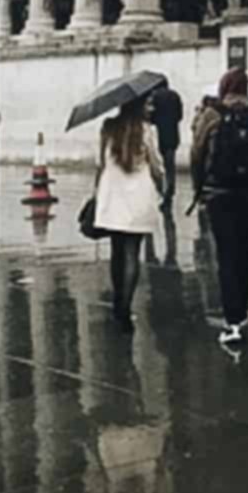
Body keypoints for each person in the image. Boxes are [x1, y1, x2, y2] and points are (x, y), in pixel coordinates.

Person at [190, 67, 248, 347]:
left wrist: (199, 188)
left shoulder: (211, 115)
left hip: (220, 194)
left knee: (226, 256)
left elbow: (196, 153)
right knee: (244, 252)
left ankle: (233, 320)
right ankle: (243, 312)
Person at [95, 98, 165, 330]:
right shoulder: (146, 130)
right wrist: (162, 182)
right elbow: (155, 164)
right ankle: (125, 308)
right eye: (148, 104)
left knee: (117, 251)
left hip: (113, 193)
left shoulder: (108, 127)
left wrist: (96, 193)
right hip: (138, 196)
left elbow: (100, 162)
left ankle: (117, 303)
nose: (151, 108)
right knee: (132, 253)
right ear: (137, 106)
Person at [149, 82, 184, 211]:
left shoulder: (156, 97)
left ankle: (167, 191)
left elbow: (152, 118)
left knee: (165, 163)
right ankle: (170, 188)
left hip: (162, 133)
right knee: (170, 163)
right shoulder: (175, 95)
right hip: (174, 133)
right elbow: (180, 115)